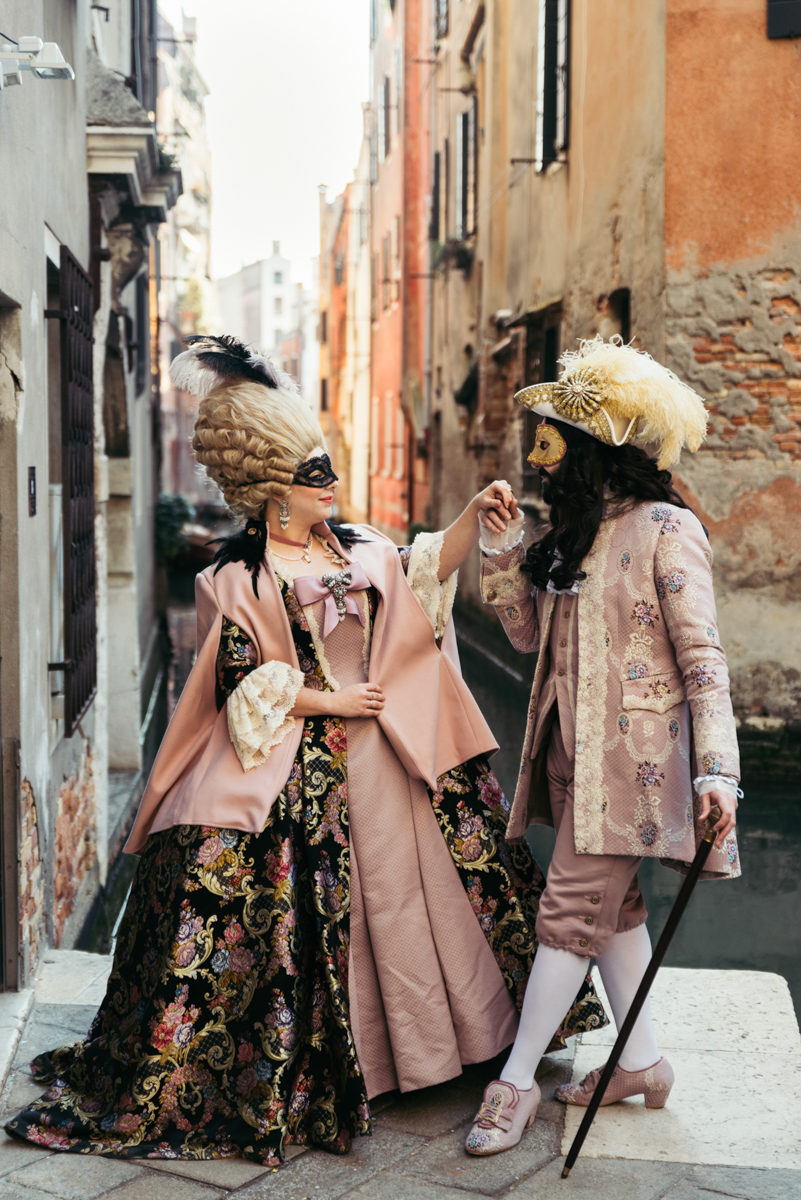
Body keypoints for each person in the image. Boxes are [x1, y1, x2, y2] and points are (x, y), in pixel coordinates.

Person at [7, 336, 605, 1167]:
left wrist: (474, 518)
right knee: (309, 923)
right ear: (274, 491)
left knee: (422, 904)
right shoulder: (240, 578)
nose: (331, 482)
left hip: (393, 760)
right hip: (295, 769)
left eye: (326, 468)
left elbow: (422, 570)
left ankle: (447, 1049)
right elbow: (240, 681)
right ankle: (344, 1067)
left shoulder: (357, 547)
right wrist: (326, 698)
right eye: (314, 474)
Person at [464, 336, 741, 1156]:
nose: (542, 461)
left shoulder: (666, 528)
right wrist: (504, 553)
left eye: (555, 444)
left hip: (635, 771)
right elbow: (523, 640)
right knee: (611, 911)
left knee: (566, 915)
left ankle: (512, 1084)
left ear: (592, 449)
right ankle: (641, 1064)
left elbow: (703, 661)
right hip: (565, 759)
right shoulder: (576, 533)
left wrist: (719, 770)